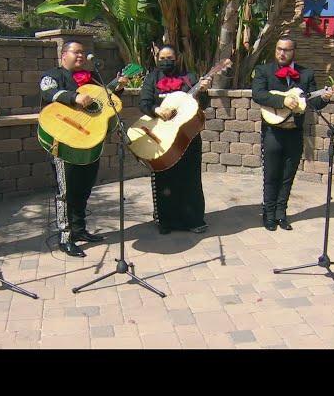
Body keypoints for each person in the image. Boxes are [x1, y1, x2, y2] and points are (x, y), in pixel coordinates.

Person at [39, 40, 128, 257]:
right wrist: (74, 97)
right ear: (63, 55)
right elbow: (48, 92)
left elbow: (105, 103)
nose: (81, 56)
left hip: (89, 142)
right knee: (66, 192)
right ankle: (65, 237)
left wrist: (119, 87)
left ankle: (79, 230)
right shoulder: (52, 75)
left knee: (84, 188)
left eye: (83, 52)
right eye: (76, 52)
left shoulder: (92, 77)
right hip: (64, 141)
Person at [251, 36, 333, 231]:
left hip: (295, 133)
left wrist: (325, 98)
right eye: (279, 49)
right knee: (271, 175)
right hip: (273, 131)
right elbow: (258, 94)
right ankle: (268, 214)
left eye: (286, 50)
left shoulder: (306, 74)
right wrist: (283, 101)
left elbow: (313, 102)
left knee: (288, 175)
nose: (281, 53)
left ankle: (281, 213)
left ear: (293, 52)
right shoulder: (264, 71)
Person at [138, 45, 212, 234]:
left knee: (191, 179)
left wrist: (203, 91)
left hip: (188, 136)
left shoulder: (191, 78)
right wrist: (157, 110)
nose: (165, 61)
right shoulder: (152, 78)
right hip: (163, 136)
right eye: (161, 58)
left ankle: (193, 220)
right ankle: (166, 221)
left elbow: (203, 105)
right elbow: (144, 102)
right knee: (164, 179)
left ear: (177, 58)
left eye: (169, 57)